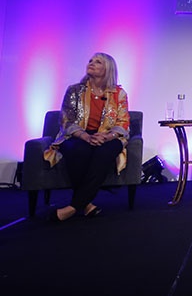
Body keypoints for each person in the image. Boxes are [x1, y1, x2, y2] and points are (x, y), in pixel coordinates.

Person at [45, 53, 130, 221]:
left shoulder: (119, 94)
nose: (91, 63)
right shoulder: (74, 90)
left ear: (108, 69)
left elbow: (124, 123)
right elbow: (66, 120)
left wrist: (107, 136)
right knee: (78, 151)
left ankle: (73, 207)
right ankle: (86, 205)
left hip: (109, 136)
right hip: (77, 134)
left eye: (98, 62)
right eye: (91, 60)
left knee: (104, 153)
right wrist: (85, 136)